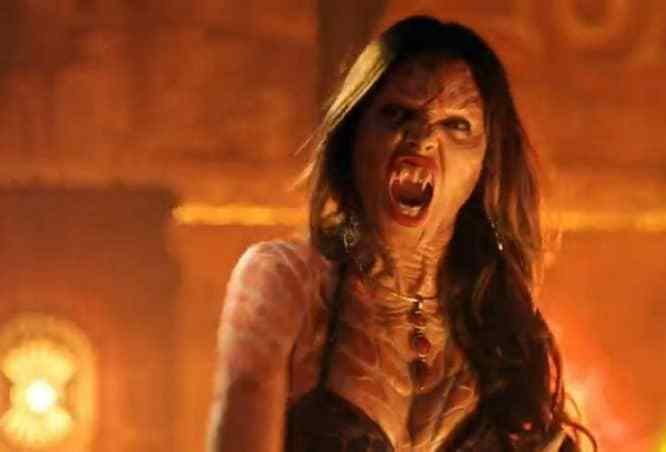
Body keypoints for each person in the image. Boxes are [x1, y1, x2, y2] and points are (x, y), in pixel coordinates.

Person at [207, 15, 594, 452]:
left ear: (486, 164)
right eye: (397, 114)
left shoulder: (504, 323)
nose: (422, 136)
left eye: (457, 124)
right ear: (353, 137)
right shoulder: (286, 282)